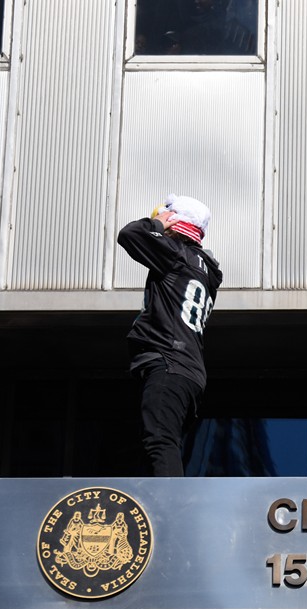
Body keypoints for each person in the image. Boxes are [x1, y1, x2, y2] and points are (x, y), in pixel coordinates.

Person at [117, 194, 224, 476]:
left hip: (169, 363)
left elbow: (130, 234)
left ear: (175, 222)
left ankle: (170, 503)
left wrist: (158, 223)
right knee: (160, 443)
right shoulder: (203, 268)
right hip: (186, 370)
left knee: (159, 441)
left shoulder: (176, 255)